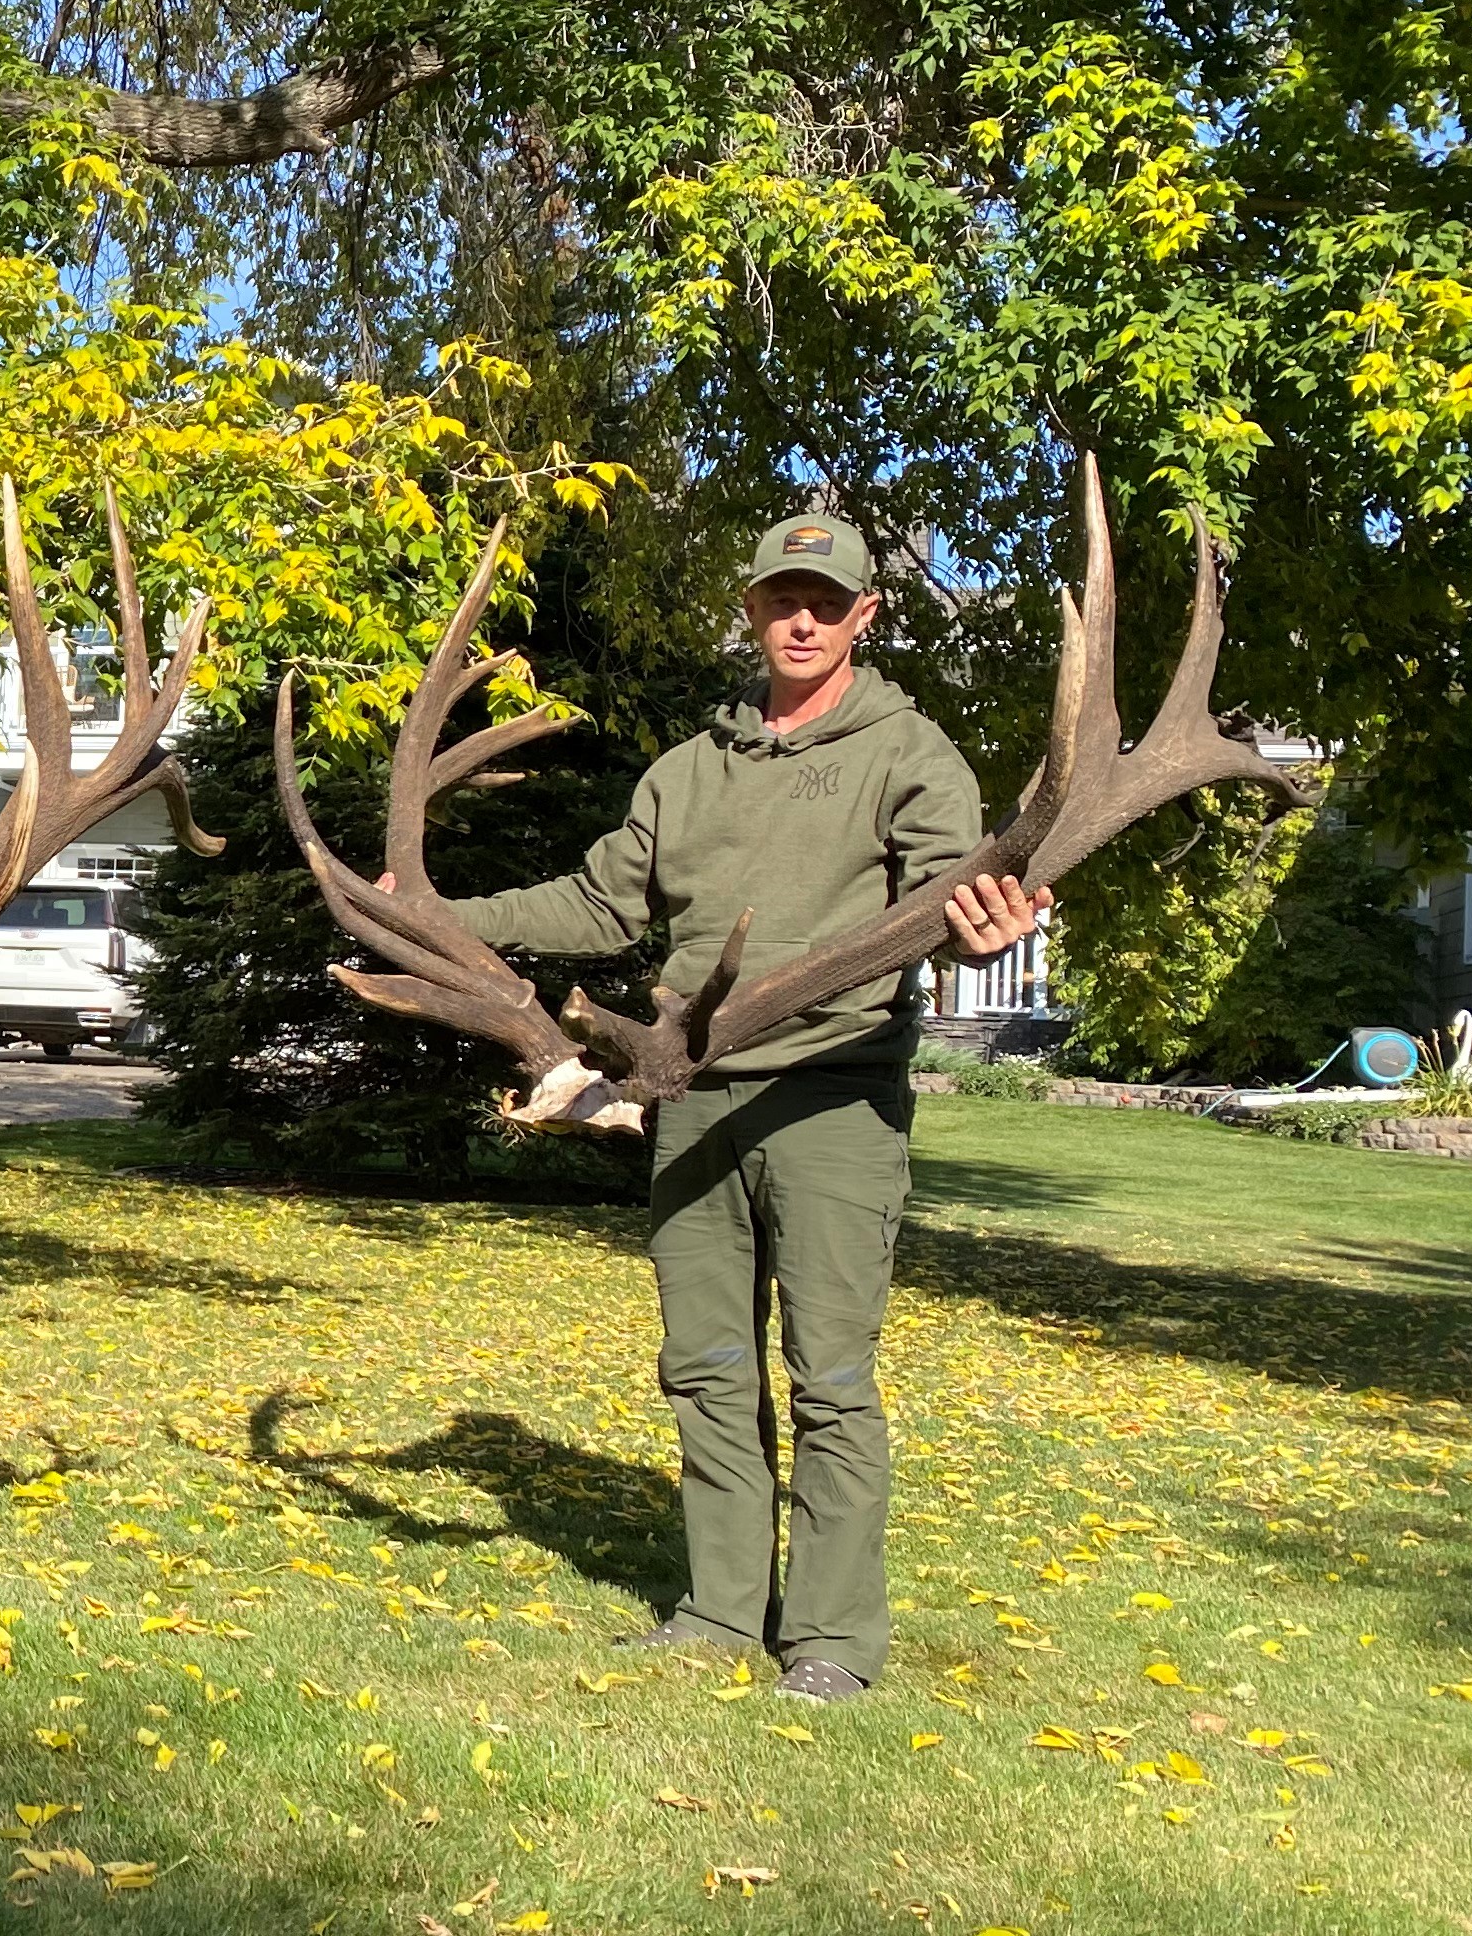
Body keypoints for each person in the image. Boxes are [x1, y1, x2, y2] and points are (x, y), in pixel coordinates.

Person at [419, 513, 1045, 1701]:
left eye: (827, 602)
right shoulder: (688, 770)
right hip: (693, 1097)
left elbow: (951, 904)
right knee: (705, 1364)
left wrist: (981, 931)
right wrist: (444, 915)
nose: (803, 620)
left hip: (834, 1101)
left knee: (830, 1377)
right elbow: (598, 905)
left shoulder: (912, 757)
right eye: (782, 600)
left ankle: (831, 1638)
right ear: (751, 609)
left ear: (865, 615)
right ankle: (717, 1612)